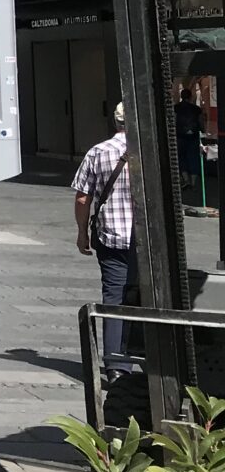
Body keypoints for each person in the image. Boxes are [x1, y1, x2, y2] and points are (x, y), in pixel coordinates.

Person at [74, 102, 134, 375]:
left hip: (111, 235)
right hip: (145, 240)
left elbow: (82, 198)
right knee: (147, 297)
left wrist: (82, 232)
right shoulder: (149, 152)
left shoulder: (98, 152)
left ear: (115, 122)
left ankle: (116, 367)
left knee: (114, 298)